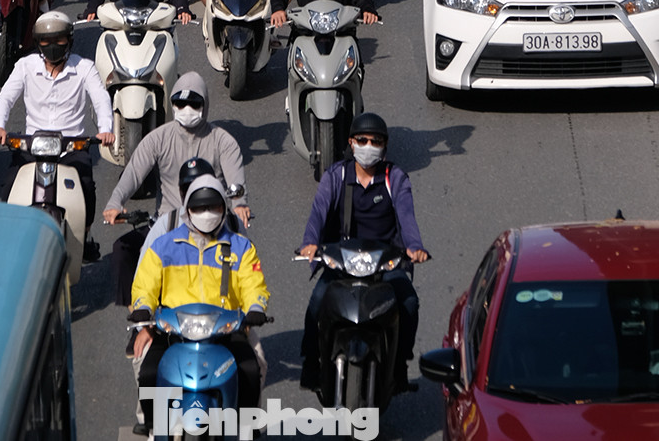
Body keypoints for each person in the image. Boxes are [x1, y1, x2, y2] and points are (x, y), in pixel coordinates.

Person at [297, 112, 426, 394]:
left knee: (409, 304)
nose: (369, 146)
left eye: (376, 141)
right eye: (363, 140)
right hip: (343, 260)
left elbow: (407, 216)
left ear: (385, 146)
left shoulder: (395, 178)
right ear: (351, 142)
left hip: (385, 261)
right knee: (317, 303)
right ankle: (311, 364)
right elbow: (318, 212)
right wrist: (310, 242)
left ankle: (400, 364)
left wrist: (414, 247)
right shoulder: (336, 176)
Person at [130, 175, 270, 412]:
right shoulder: (163, 246)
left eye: (213, 207)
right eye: (199, 208)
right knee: (148, 373)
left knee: (252, 368)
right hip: (174, 331)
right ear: (188, 210)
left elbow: (253, 285)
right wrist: (143, 307)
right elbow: (145, 284)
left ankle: (247, 426)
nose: (207, 213)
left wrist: (256, 309)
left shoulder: (241, 247)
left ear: (223, 208)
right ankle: (154, 426)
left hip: (226, 330)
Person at [105, 74, 247, 301]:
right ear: (172, 105)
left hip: (211, 221)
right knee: (122, 250)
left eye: (194, 103)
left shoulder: (223, 141)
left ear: (205, 106)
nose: (187, 109)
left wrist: (239, 204)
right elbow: (133, 172)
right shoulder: (158, 138)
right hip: (167, 222)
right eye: (181, 103)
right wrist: (115, 202)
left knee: (245, 253)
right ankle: (137, 312)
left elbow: (235, 180)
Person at [0, 10, 113, 244]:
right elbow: (5, 98)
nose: (53, 45)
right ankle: (8, 237)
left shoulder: (85, 67)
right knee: (9, 187)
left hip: (71, 147)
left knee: (86, 186)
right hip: (31, 146)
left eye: (59, 39)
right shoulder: (25, 65)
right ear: (38, 43)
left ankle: (86, 235)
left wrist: (105, 129)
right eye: (46, 41)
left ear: (69, 40)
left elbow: (101, 99)